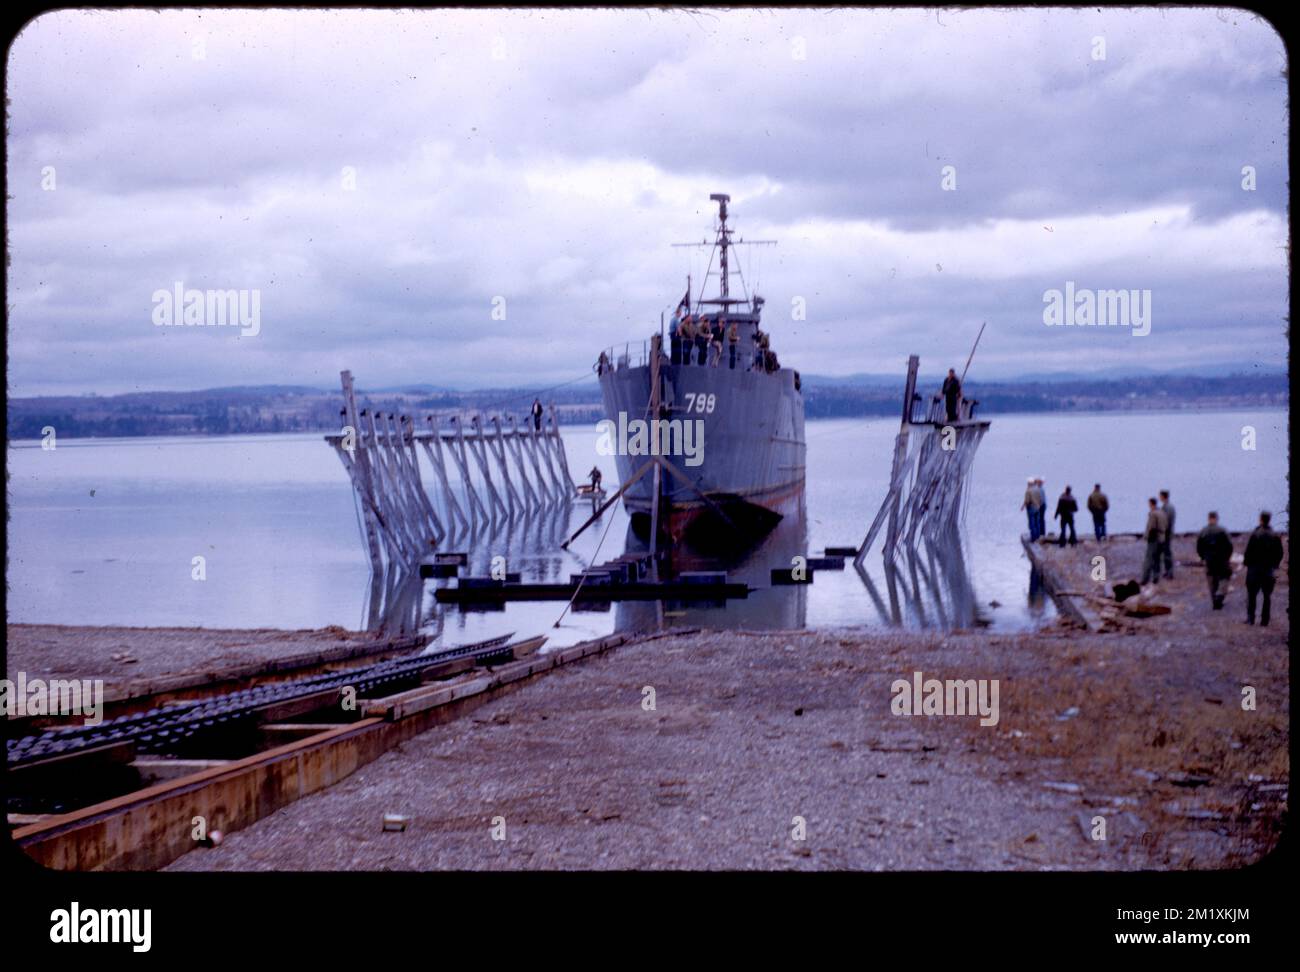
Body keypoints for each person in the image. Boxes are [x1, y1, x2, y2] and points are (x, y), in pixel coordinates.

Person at [1243, 511, 1284, 626]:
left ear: (1260, 519)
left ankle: (1251, 619)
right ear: (1269, 520)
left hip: (1254, 570)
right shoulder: (1275, 536)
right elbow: (1279, 553)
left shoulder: (1255, 534)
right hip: (1268, 570)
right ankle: (1264, 620)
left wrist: (1247, 564)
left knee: (1251, 595)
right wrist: (1275, 565)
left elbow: (1248, 552)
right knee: (1267, 596)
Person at [1196, 512, 1233, 610]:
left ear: (1208, 519)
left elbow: (1199, 547)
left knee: (1212, 581)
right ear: (1216, 519)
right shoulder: (1222, 530)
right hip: (1222, 559)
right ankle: (1220, 595)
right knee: (1224, 577)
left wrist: (1203, 557)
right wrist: (1227, 557)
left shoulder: (1203, 531)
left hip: (1209, 560)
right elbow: (1229, 545)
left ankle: (1215, 602)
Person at [1140, 497, 1169, 584]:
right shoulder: (1162, 512)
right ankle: (1156, 578)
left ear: (1151, 504)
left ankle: (1145, 579)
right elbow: (1166, 525)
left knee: (1149, 559)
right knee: (1157, 559)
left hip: (1154, 539)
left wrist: (1146, 536)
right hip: (1162, 538)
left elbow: (1150, 527)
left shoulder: (1153, 514)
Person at [1158, 490, 1176, 579]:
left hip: (1166, 533)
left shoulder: (1167, 507)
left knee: (1167, 553)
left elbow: (1166, 521)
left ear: (1163, 496)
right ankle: (1167, 571)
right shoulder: (1167, 506)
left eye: (1160, 496)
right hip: (1167, 532)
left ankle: (1170, 572)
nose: (1159, 497)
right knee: (1166, 553)